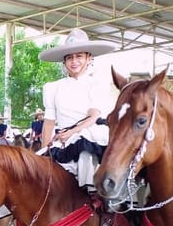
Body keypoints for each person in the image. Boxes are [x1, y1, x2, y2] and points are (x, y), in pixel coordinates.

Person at [38, 28, 117, 190]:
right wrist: (45, 150)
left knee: (84, 153)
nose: (74, 61)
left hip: (89, 133)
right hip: (62, 139)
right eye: (69, 58)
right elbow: (49, 122)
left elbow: (93, 115)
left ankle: (91, 198)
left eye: (79, 56)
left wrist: (73, 132)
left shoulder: (97, 83)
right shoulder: (53, 87)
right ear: (64, 62)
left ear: (88, 58)